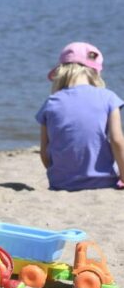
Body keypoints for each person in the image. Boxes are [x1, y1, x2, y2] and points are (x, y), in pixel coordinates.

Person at [36, 42, 124, 191]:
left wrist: (59, 175)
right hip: (104, 181)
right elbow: (117, 141)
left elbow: (44, 152)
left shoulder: (50, 103)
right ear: (95, 72)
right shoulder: (108, 98)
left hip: (61, 184)